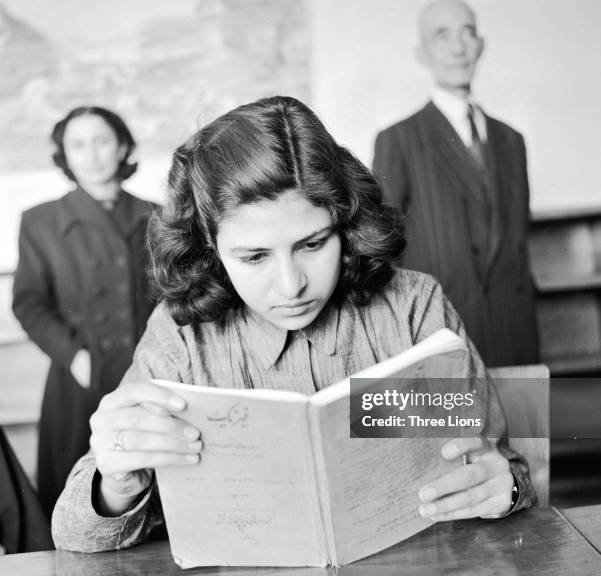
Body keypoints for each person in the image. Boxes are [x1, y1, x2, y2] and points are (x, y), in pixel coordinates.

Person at [51, 96, 535, 552]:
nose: (291, 286)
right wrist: (115, 485)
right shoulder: (179, 339)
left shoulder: (413, 306)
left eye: (312, 244)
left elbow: (502, 465)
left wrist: (506, 485)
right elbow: (74, 534)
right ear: (211, 251)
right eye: (255, 256)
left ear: (344, 224)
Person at [373, 0, 539, 367]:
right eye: (441, 35)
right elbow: (382, 249)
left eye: (468, 32)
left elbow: (517, 243)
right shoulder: (398, 140)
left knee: (525, 427)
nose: (458, 47)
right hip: (442, 336)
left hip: (514, 333)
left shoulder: (512, 140)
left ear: (481, 45)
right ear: (422, 53)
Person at [12, 106, 157, 519]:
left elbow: (175, 298)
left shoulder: (157, 215)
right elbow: (28, 302)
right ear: (64, 155)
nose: (91, 155)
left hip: (147, 375)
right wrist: (75, 357)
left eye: (102, 141)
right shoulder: (40, 221)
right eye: (78, 144)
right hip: (79, 380)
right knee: (77, 502)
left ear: (123, 146)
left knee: (150, 500)